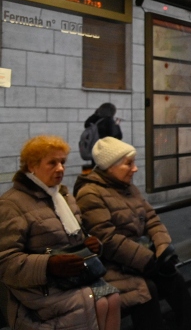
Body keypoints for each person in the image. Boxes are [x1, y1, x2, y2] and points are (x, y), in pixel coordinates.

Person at [74, 138, 191, 330]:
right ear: (110, 166)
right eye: (128, 163)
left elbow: (152, 219)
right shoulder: (90, 193)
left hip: (140, 260)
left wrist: (163, 249)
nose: (134, 169)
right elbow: (107, 239)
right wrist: (147, 260)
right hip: (112, 265)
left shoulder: (128, 188)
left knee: (173, 278)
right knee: (144, 290)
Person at [0, 135, 121, 330]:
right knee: (96, 302)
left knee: (112, 297)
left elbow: (77, 237)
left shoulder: (62, 195)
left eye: (63, 162)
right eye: (52, 163)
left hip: (71, 277)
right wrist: (49, 265)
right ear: (32, 165)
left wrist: (90, 244)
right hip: (39, 286)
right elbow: (5, 261)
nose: (60, 168)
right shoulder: (11, 204)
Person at [84, 103, 124, 169]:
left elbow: (86, 124)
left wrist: (95, 114)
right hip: (106, 152)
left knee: (96, 169)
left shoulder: (96, 120)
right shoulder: (109, 121)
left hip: (95, 150)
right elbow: (117, 136)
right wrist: (117, 124)